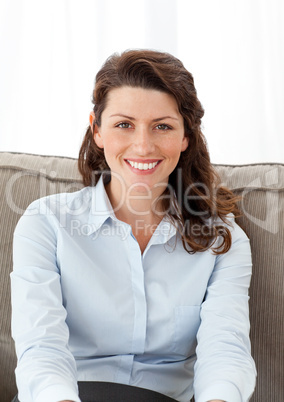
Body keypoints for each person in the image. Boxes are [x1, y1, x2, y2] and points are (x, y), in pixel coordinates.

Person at [11, 49, 256, 402]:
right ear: (97, 131)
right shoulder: (45, 223)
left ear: (186, 136)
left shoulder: (222, 237)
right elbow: (41, 349)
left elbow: (226, 352)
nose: (143, 145)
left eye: (163, 126)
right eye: (124, 124)